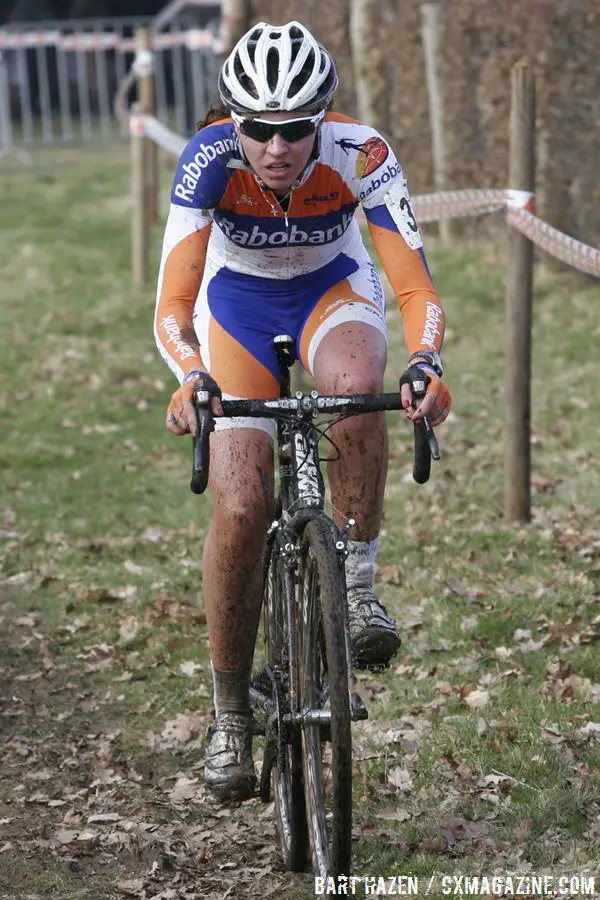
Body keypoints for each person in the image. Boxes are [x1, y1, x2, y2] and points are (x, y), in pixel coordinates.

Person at [154, 21, 452, 802]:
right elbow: (173, 305)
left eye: (294, 130)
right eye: (257, 128)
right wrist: (191, 376)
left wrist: (426, 363)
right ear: (232, 120)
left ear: (323, 119)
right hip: (237, 307)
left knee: (358, 390)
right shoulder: (209, 161)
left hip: (333, 289)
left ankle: (353, 584)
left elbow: (415, 288)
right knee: (243, 502)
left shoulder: (363, 155)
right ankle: (229, 715)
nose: (276, 146)